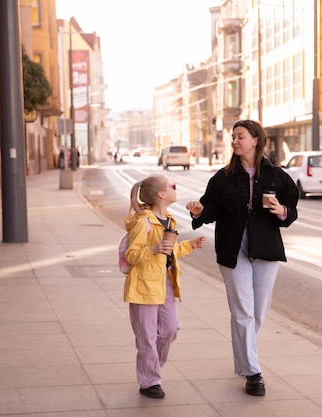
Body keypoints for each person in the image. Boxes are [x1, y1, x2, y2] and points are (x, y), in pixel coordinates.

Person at [185, 119, 299, 396]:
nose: (235, 141)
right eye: (233, 137)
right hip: (233, 248)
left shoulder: (277, 176)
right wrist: (199, 211)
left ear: (256, 140)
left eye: (240, 137)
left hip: (266, 247)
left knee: (258, 309)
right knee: (243, 310)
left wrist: (280, 210)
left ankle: (245, 354)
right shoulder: (222, 178)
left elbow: (291, 211)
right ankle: (253, 371)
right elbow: (209, 208)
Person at [123, 174, 206, 399]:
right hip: (143, 286)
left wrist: (190, 245)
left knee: (170, 329)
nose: (174, 187)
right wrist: (153, 249)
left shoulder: (169, 219)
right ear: (161, 194)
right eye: (172, 185)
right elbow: (131, 255)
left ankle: (151, 368)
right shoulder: (143, 222)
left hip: (165, 282)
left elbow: (170, 251)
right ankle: (149, 380)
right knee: (147, 336)